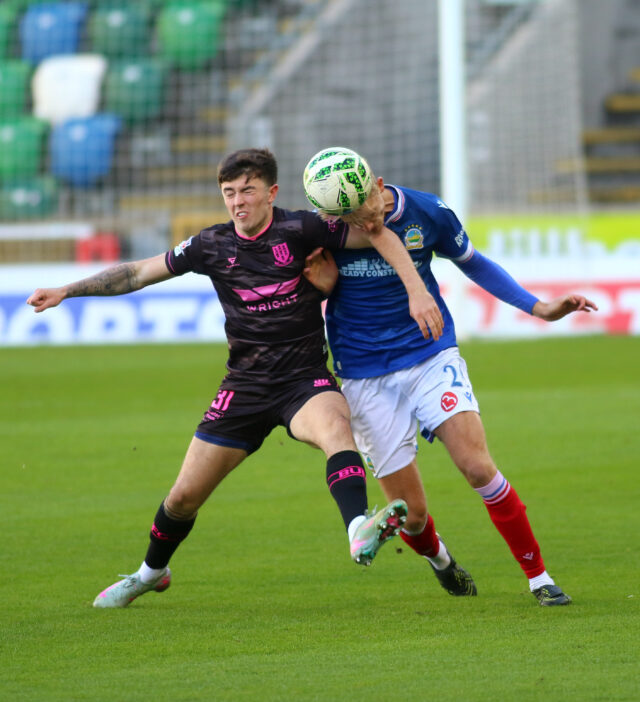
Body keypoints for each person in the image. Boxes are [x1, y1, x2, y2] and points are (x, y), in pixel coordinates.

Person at [27, 148, 442, 608]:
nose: (238, 201)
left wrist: (415, 286)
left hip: (303, 381)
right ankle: (150, 573)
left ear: (271, 192)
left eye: (247, 190)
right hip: (244, 388)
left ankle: (357, 528)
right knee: (183, 498)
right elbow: (139, 272)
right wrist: (67, 290)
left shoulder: (302, 228)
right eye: (229, 193)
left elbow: (377, 234)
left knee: (335, 429)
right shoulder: (211, 244)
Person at [304, 171, 598, 606]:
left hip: (430, 353)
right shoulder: (323, 229)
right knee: (411, 516)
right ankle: (441, 561)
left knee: (477, 467)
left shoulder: (428, 212)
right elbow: (291, 292)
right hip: (363, 374)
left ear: (378, 184)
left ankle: (540, 579)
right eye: (346, 215)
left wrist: (538, 307)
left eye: (363, 205)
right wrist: (321, 289)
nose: (360, 219)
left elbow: (473, 262)